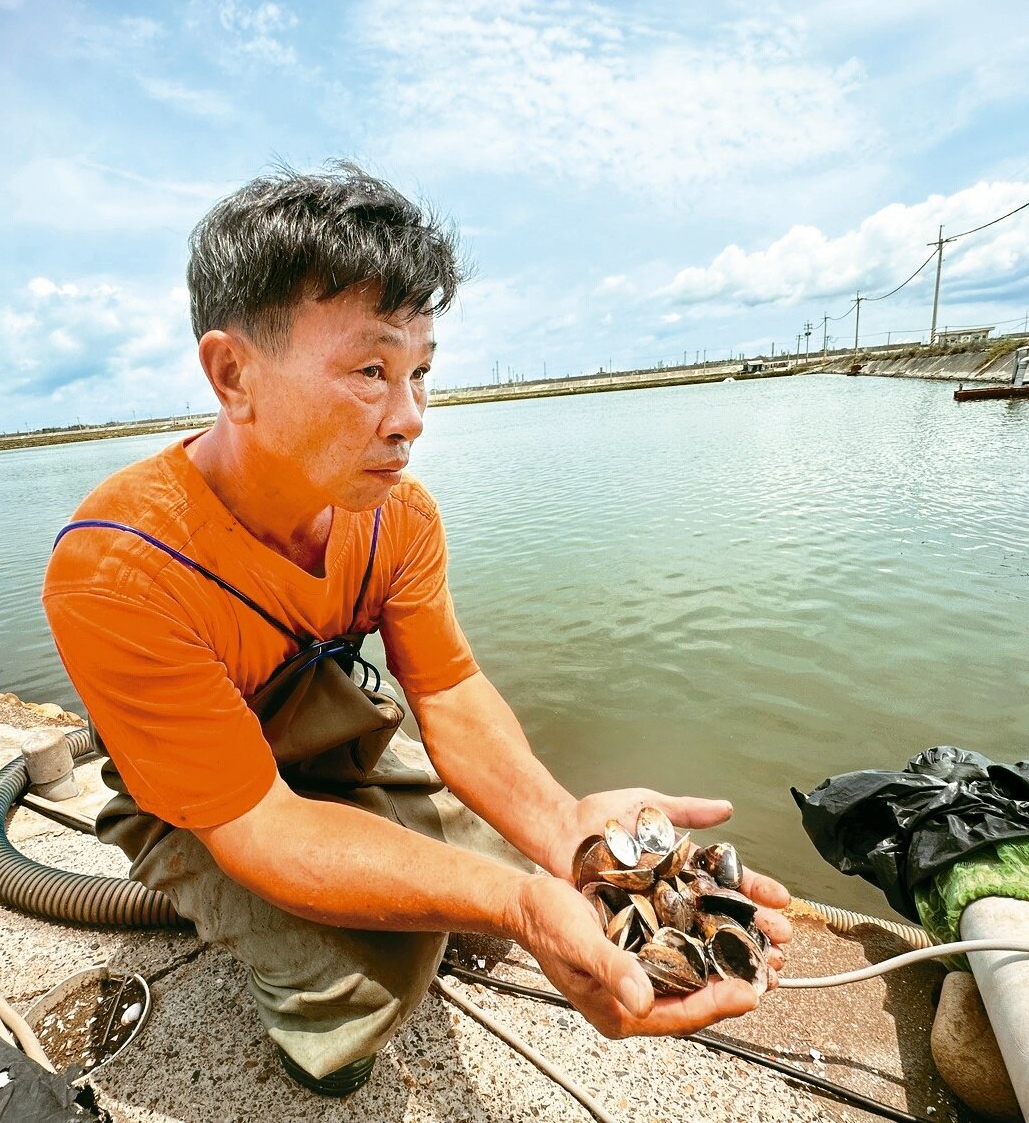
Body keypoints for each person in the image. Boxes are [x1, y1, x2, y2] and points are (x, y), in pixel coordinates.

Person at [43, 163, 791, 1097]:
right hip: (207, 801)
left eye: (420, 372)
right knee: (374, 976)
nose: (410, 419)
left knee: (543, 875)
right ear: (234, 374)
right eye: (370, 371)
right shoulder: (116, 570)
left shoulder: (398, 515)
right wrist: (516, 904)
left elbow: (447, 689)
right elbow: (260, 823)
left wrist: (564, 826)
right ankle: (310, 1024)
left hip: (325, 739)